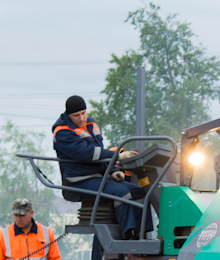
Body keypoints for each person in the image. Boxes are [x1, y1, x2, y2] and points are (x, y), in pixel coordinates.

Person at [52, 95, 153, 240]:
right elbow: (87, 154)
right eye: (76, 115)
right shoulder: (62, 132)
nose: (81, 118)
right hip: (81, 179)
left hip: (99, 175)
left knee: (139, 192)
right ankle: (127, 235)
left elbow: (99, 152)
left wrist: (112, 171)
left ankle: (143, 233)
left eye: (83, 113)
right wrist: (118, 155)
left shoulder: (90, 125)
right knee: (121, 192)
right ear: (68, 116)